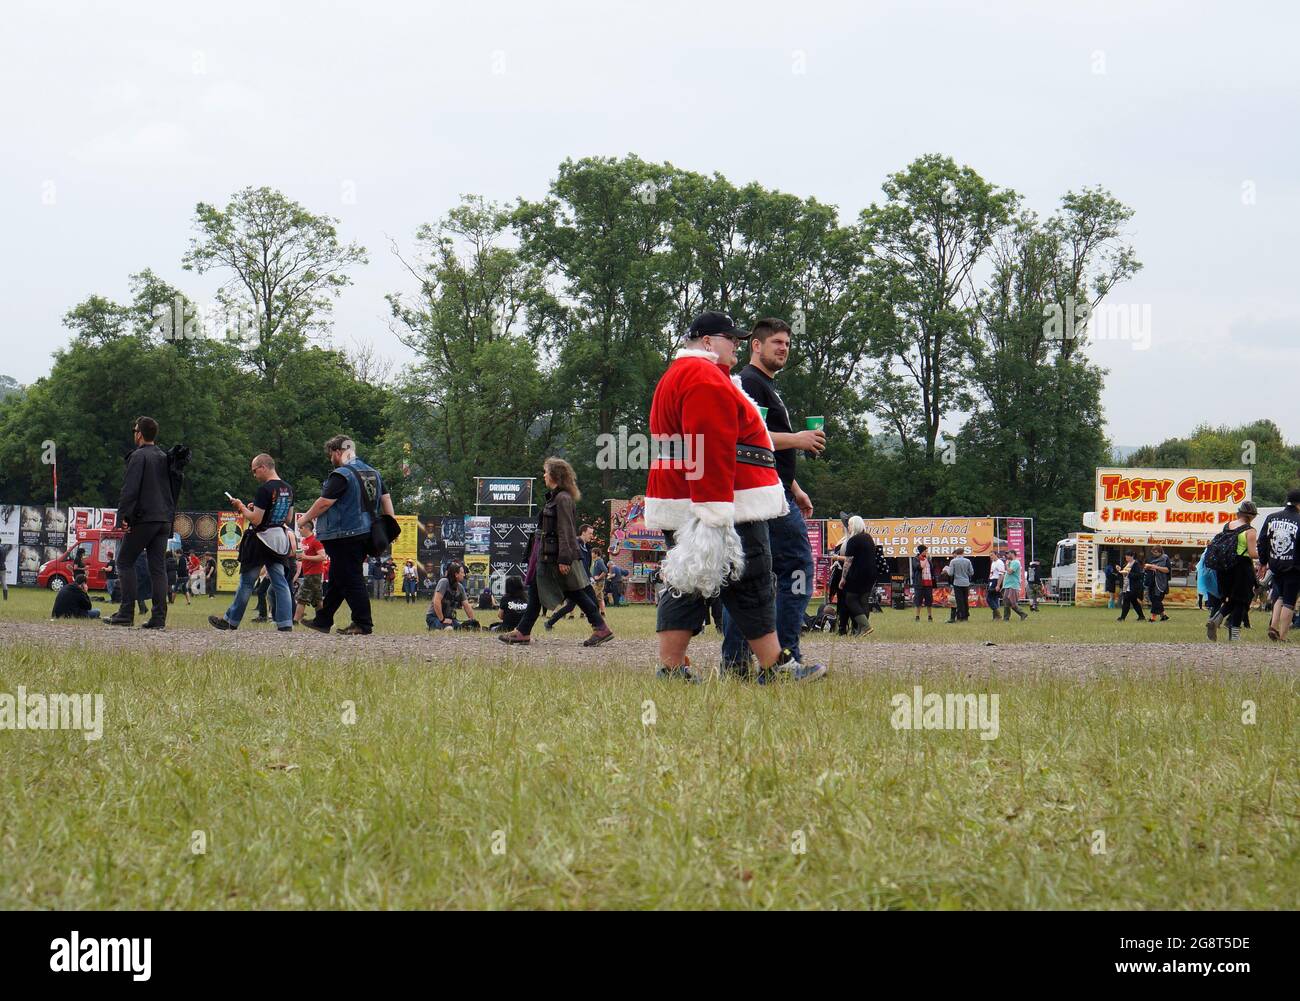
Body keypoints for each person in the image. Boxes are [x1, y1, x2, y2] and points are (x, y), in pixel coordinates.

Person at [638, 311, 824, 683]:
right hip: (726, 502)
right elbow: (710, 447)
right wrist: (714, 513)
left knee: (686, 581)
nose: (737, 346)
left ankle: (672, 667)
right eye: (731, 339)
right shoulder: (704, 378)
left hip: (688, 499)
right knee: (752, 577)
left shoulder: (681, 375)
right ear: (707, 341)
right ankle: (776, 668)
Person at [719, 317, 827, 677]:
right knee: (795, 567)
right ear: (756, 346)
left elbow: (766, 446)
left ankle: (737, 663)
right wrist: (798, 439)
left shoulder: (764, 385)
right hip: (764, 494)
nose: (783, 348)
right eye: (776, 342)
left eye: (787, 343)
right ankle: (785, 659)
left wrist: (795, 487)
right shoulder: (750, 382)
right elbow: (746, 437)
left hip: (773, 489)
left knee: (750, 576)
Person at [499, 458, 614, 647]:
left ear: (555, 475)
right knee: (539, 591)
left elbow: (566, 530)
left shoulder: (562, 499)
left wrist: (565, 559)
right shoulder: (557, 497)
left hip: (556, 558)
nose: (544, 475)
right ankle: (523, 632)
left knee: (574, 592)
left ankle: (600, 627)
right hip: (548, 556)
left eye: (546, 472)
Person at [298, 435, 394, 636]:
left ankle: (362, 623)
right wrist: (390, 525)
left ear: (337, 452)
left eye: (330, 455)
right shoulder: (373, 473)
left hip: (344, 534)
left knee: (351, 578)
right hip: (366, 533)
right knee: (338, 577)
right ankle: (323, 620)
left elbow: (324, 502)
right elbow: (386, 499)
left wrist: (303, 518)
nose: (330, 459)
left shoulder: (341, 475)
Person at [209, 453, 296, 632]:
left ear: (263, 467)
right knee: (280, 582)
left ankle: (231, 621)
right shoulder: (288, 489)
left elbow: (256, 520)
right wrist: (256, 510)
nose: (254, 475)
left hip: (261, 540)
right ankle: (286, 623)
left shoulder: (265, 489)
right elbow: (288, 518)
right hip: (279, 540)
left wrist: (240, 507)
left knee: (247, 582)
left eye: (255, 471)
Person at [105, 416, 175, 629]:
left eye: (135, 430)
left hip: (145, 518)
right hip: (164, 518)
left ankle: (126, 613)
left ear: (140, 434)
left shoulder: (138, 456)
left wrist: (123, 517)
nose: (134, 433)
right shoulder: (164, 457)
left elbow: (130, 490)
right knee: (158, 568)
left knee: (125, 561)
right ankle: (158, 617)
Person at [1205, 502, 1259, 642]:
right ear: (1252, 516)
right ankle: (1234, 635)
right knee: (1242, 600)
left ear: (1239, 513)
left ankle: (1216, 620)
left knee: (1233, 599)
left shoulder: (1227, 525)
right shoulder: (1250, 530)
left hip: (1225, 568)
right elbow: (1252, 554)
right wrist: (1266, 554)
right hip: (1242, 567)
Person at [1257, 487, 1300, 642]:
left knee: (1279, 596)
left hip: (1275, 564)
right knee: (1289, 601)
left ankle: (1273, 626)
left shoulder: (1271, 517)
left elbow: (1262, 540)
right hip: (1294, 566)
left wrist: (1263, 561)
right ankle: (1282, 636)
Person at [543, 524, 598, 630]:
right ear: (583, 532)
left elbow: (586, 565)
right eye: (590, 533)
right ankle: (598, 626)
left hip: (584, 580)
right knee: (592, 603)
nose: (592, 536)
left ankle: (549, 623)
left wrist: (590, 577)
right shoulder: (576, 544)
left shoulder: (586, 547)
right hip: (577, 580)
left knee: (570, 606)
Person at [837, 516, 878, 636]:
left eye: (849, 525)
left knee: (850, 599)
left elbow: (848, 561)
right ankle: (860, 631)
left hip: (858, 573)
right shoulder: (868, 538)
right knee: (863, 600)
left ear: (854, 526)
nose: (848, 527)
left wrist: (843, 578)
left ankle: (865, 626)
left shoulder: (853, 540)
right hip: (871, 573)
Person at [428, 562, 478, 630]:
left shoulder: (460, 587)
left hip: (450, 619)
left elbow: (466, 605)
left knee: (464, 628)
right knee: (449, 629)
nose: (464, 575)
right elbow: (436, 601)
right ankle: (434, 627)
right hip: (435, 617)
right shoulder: (444, 582)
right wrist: (442, 619)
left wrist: (473, 621)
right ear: (456, 574)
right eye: (462, 572)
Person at [294, 521, 327, 623]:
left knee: (301, 598)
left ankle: (295, 621)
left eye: (300, 528)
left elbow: (322, 556)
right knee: (317, 600)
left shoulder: (316, 540)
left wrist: (305, 557)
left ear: (306, 528)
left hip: (314, 573)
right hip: (308, 572)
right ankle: (323, 620)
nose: (299, 530)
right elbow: (305, 557)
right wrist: (300, 558)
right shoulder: (304, 541)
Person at [944, 548, 973, 622]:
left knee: (959, 601)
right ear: (963, 553)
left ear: (956, 553)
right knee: (965, 600)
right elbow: (971, 572)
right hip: (966, 582)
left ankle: (960, 616)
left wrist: (946, 570)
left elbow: (951, 573)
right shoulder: (968, 561)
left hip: (957, 583)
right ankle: (966, 616)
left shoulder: (953, 561)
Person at [1143, 545, 1172, 622]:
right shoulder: (1151, 558)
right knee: (1153, 599)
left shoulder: (1165, 558)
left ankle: (1153, 618)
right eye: (1153, 552)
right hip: (1151, 581)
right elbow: (1147, 568)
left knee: (1157, 599)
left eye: (1156, 552)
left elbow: (1167, 570)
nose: (1154, 554)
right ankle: (1164, 615)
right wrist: (1147, 567)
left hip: (1161, 582)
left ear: (1160, 552)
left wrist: (1155, 567)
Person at [1116, 552, 1146, 622]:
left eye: (1127, 557)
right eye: (1125, 557)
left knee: (1126, 601)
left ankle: (1122, 617)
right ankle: (1141, 616)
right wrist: (1119, 570)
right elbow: (1122, 574)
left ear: (1132, 556)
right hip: (1126, 586)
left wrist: (1128, 573)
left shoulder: (1136, 564)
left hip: (1133, 587)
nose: (1126, 558)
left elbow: (1139, 575)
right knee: (1134, 602)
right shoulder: (1126, 564)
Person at [1001, 551, 1028, 621]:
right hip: (1007, 585)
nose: (1007, 556)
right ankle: (1006, 618)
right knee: (1006, 601)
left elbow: (1010, 572)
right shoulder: (1011, 562)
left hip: (1013, 585)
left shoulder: (1016, 562)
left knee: (1012, 602)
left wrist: (1006, 565)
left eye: (1008, 554)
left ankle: (1023, 614)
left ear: (1012, 554)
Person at [910, 544, 934, 622]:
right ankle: (917, 616)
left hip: (928, 583)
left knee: (929, 601)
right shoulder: (916, 559)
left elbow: (932, 570)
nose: (926, 552)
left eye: (927, 551)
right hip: (919, 583)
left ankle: (930, 616)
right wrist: (926, 559)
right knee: (918, 601)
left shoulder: (929, 560)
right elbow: (919, 567)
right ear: (921, 551)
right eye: (925, 551)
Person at [987, 549, 1005, 621]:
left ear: (996, 554)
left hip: (996, 581)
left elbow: (1001, 575)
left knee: (989, 598)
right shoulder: (993, 562)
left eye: (992, 555)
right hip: (992, 580)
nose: (991, 557)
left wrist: (998, 585)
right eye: (990, 555)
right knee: (994, 598)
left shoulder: (999, 562)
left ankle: (998, 615)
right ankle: (995, 617)